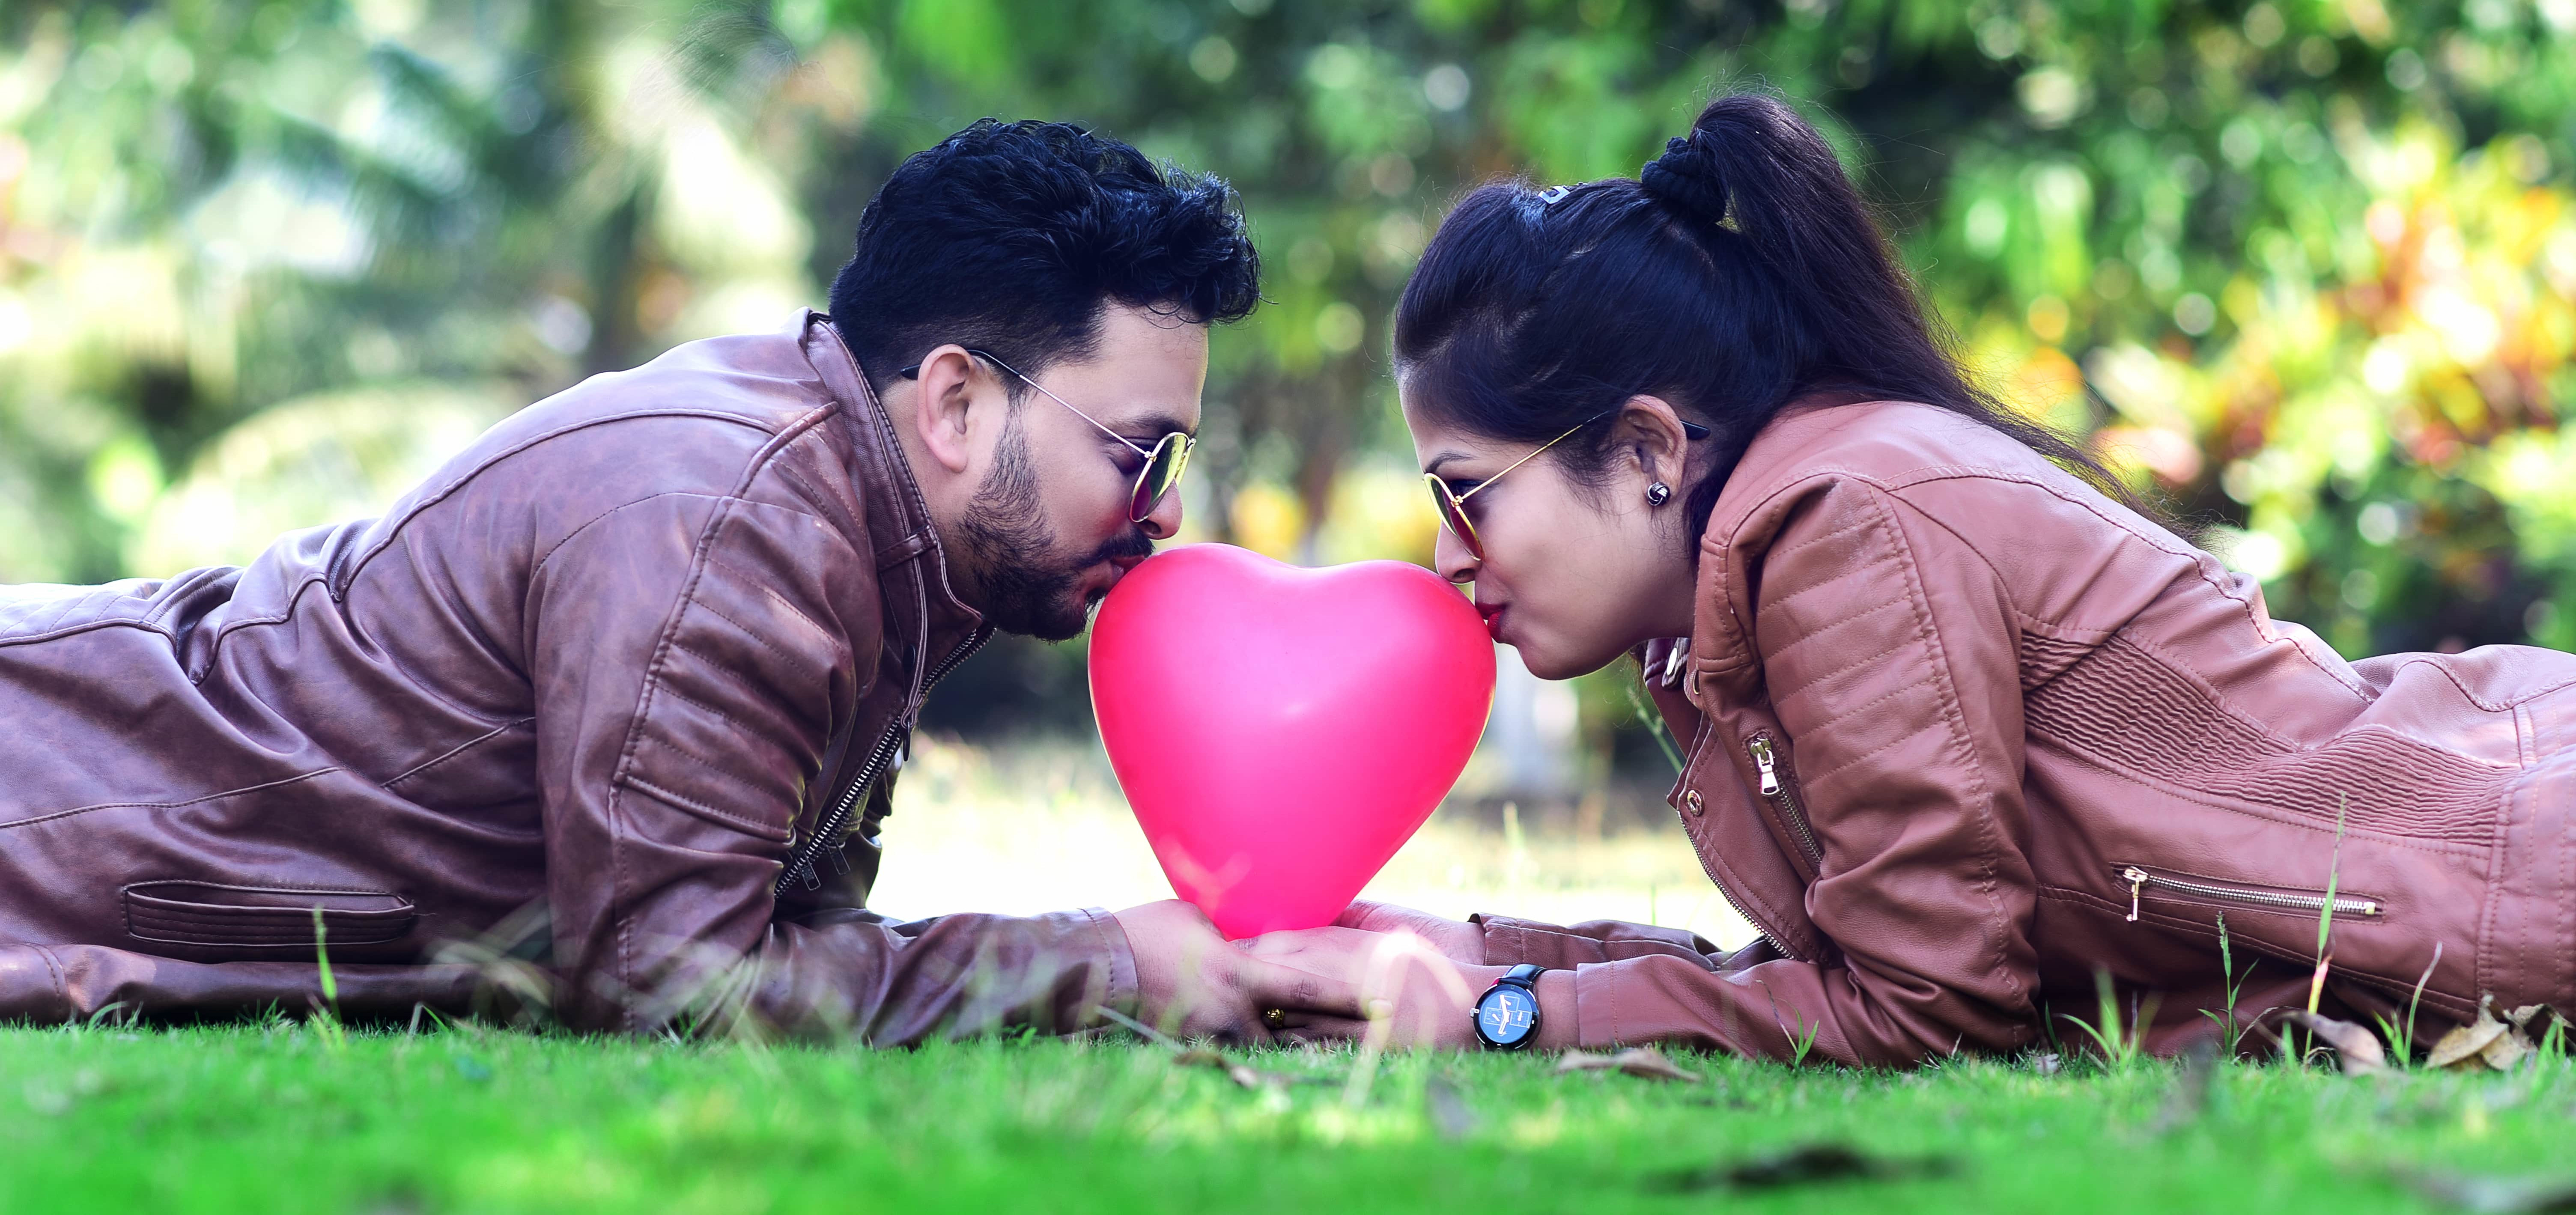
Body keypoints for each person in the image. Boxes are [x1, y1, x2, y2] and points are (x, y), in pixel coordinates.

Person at [1251, 93, 2576, 1066]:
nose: (1441, 552)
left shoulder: (1839, 524)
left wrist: (1499, 1018)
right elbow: (1846, 969)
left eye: (1466, 490)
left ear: (1648, 447)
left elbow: (1922, 1010)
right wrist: (1475, 956)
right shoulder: (1758, 563)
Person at [0, 119, 1346, 1042]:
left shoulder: (869, 522)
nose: (1164, 509)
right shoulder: (732, 523)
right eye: (1140, 447)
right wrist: (1105, 958)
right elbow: (674, 985)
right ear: (953, 402)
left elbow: (780, 927)